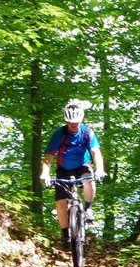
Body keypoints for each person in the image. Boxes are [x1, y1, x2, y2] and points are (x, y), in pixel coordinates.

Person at [40, 99, 106, 248]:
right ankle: (65, 236)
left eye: (76, 123)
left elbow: (96, 152)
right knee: (60, 203)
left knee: (88, 181)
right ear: (66, 121)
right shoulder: (60, 133)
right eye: (70, 123)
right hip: (63, 168)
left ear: (81, 120)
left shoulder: (87, 132)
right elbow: (48, 157)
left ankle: (88, 209)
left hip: (82, 166)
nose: (73, 126)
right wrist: (45, 174)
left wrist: (99, 169)